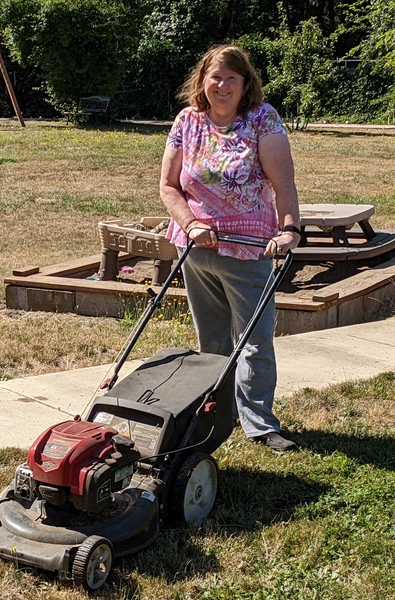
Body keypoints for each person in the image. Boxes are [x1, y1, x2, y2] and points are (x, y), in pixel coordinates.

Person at [159, 44, 301, 452]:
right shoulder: (187, 121)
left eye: (231, 79)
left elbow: (283, 182)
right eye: (216, 77)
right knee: (213, 338)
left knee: (255, 338)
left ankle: (259, 423)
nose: (222, 86)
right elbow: (169, 185)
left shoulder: (262, 119)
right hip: (197, 248)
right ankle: (216, 413)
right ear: (203, 80)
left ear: (245, 85)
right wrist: (190, 223)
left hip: (250, 248)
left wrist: (290, 230)